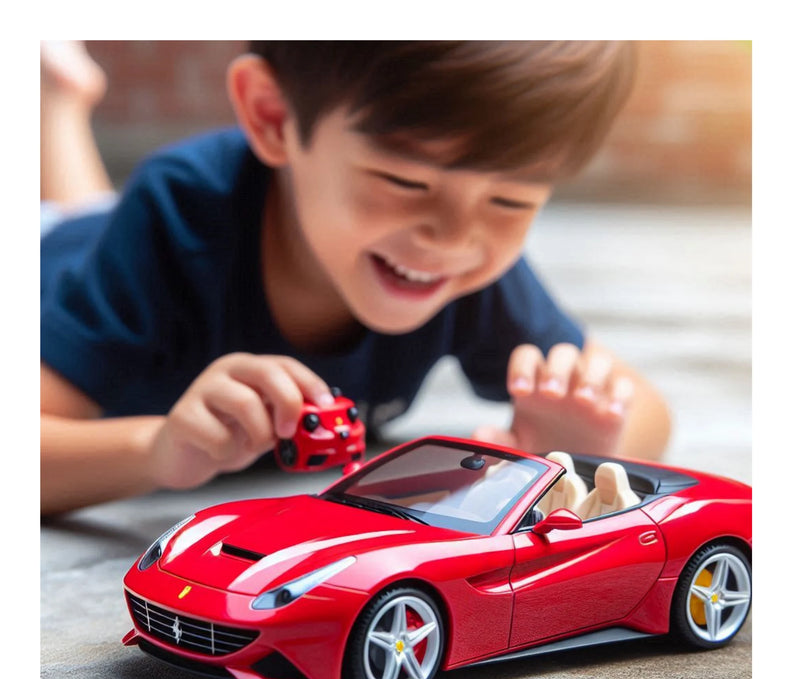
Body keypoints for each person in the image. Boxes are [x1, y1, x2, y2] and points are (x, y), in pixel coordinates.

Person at [40, 41, 671, 516]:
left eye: (511, 201)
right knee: (71, 221)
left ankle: (58, 95)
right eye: (405, 182)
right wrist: (155, 450)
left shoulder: (465, 266)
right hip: (54, 257)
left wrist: (570, 454)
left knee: (89, 210)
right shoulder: (177, 214)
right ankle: (54, 99)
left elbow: (645, 408)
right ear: (271, 116)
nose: (453, 238)